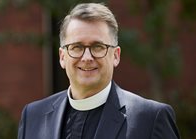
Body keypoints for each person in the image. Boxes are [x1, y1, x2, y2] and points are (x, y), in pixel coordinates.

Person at [18, 3, 180, 139]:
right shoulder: (33, 116)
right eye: (76, 47)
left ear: (116, 56)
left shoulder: (150, 119)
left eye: (97, 47)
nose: (87, 57)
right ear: (62, 57)